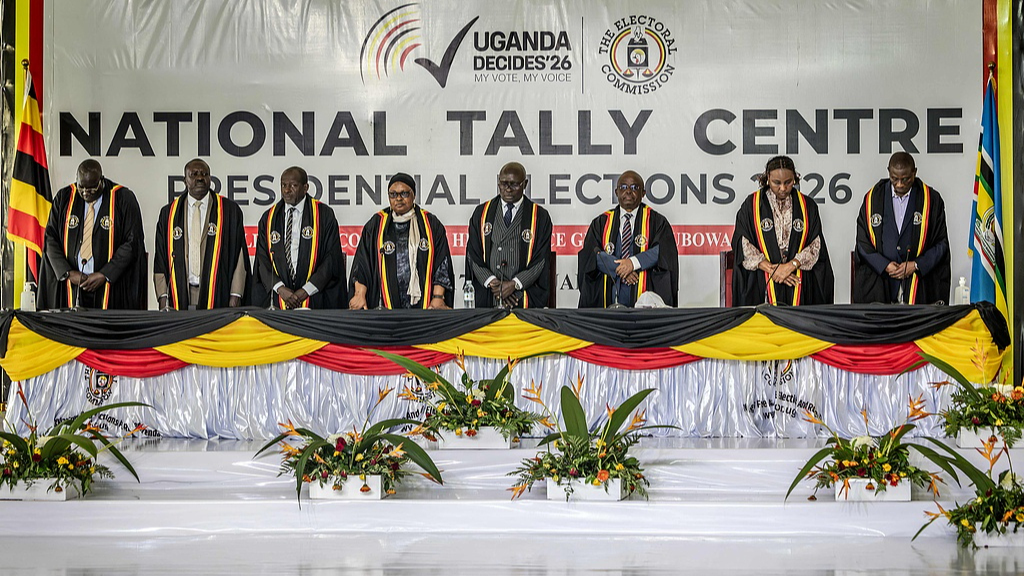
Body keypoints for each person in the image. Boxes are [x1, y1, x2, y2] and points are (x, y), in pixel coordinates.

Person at [40, 159, 145, 309]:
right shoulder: (64, 198)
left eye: (91, 189)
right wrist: (68, 273)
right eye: (81, 187)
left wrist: (105, 274)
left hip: (111, 287)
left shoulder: (123, 198)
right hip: (71, 284)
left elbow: (133, 241)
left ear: (101, 180)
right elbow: (50, 238)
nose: (85, 193)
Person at [730, 155, 834, 306]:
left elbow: (815, 245)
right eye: (776, 183)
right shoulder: (751, 205)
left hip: (798, 278)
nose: (783, 188)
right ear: (767, 179)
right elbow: (743, 243)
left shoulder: (808, 206)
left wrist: (791, 266)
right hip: (762, 279)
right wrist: (772, 269)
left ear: (795, 179)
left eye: (788, 182)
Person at [853, 152, 950, 304]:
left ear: (914, 173)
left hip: (919, 287)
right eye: (894, 178)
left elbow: (941, 244)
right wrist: (884, 265)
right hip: (880, 284)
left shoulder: (932, 200)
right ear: (888, 172)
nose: (899, 184)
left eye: (905, 179)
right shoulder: (873, 198)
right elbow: (862, 242)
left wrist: (916, 265)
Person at [153, 158, 250, 310]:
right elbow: (160, 259)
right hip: (180, 292)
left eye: (204, 174)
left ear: (210, 179)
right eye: (194, 174)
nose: (200, 178)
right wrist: (163, 298)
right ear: (185, 180)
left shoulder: (229, 210)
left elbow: (240, 257)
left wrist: (235, 295)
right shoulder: (169, 213)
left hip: (219, 292)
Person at [349, 173, 454, 309]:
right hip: (385, 309)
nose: (398, 198)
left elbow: (442, 264)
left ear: (413, 195)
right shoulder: (377, 224)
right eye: (393, 194)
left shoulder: (430, 224)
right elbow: (362, 264)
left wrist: (438, 297)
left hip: (425, 306)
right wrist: (359, 294)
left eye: (404, 193)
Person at [577, 170, 678, 307]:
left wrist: (633, 263)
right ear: (616, 192)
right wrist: (622, 269)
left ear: (643, 193)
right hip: (608, 302)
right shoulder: (601, 222)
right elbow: (591, 254)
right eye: (623, 187)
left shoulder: (656, 221)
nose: (628, 192)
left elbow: (664, 251)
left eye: (634, 187)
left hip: (645, 305)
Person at [253, 167, 345, 309]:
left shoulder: (324, 214)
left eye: (293, 185)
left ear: (305, 187)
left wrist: (305, 291)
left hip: (314, 297)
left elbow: (331, 259)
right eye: (284, 185)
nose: (287, 190)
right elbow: (262, 259)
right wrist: (281, 289)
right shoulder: (269, 218)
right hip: (279, 297)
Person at [466, 162, 553, 308]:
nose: (508, 189)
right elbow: (472, 253)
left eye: (514, 184)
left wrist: (514, 285)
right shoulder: (481, 213)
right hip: (489, 293)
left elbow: (541, 259)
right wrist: (495, 285)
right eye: (503, 183)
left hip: (523, 294)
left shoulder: (539, 216)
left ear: (525, 184)